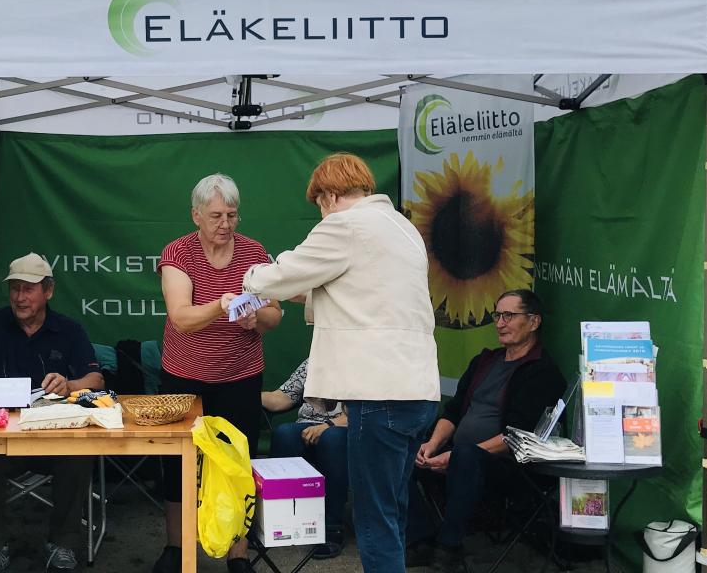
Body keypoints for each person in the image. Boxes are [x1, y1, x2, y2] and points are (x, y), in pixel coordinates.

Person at [241, 153, 439, 573]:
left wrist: (248, 278)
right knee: (392, 512)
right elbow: (363, 293)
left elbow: (277, 276)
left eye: (319, 205)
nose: (320, 213)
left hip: (378, 391)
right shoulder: (402, 228)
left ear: (329, 196)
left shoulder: (345, 224)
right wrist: (306, 292)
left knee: (374, 521)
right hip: (418, 389)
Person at [154, 173, 283, 573]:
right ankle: (177, 549)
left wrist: (255, 318)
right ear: (196, 215)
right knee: (178, 466)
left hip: (240, 376)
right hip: (183, 377)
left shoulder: (255, 253)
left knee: (236, 463)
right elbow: (180, 317)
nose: (225, 224)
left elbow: (275, 315)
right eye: (215, 215)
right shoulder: (178, 253)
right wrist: (222, 305)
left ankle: (238, 554)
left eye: (232, 215)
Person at [0, 253, 104, 573]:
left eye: (28, 289)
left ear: (48, 291)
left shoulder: (69, 330)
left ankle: (63, 542)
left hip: (54, 435)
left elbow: (95, 380)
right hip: (3, 433)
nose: (19, 297)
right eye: (14, 288)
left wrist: (68, 385)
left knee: (81, 449)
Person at [409, 289, 565, 572]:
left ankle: (449, 547)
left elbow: (516, 435)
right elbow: (454, 411)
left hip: (508, 465)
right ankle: (420, 539)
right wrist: (432, 446)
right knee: (404, 450)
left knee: (467, 456)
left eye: (509, 316)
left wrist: (455, 456)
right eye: (497, 315)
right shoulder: (485, 360)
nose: (500, 323)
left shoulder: (542, 372)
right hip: (459, 453)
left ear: (534, 322)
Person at [261, 359, 349, 559]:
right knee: (284, 433)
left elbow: (365, 412)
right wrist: (246, 394)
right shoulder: (315, 359)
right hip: (308, 426)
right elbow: (281, 398)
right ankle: (278, 522)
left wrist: (328, 425)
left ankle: (331, 528)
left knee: (332, 440)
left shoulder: (363, 362)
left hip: (345, 430)